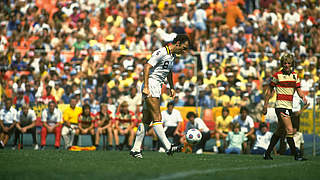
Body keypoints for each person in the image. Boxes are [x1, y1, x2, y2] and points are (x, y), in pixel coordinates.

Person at [130, 34, 190, 158]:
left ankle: (136, 149)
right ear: (177, 43)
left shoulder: (172, 56)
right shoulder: (162, 52)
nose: (184, 51)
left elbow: (168, 71)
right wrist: (146, 86)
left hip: (157, 85)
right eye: (184, 48)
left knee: (147, 119)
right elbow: (146, 67)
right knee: (157, 116)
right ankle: (168, 146)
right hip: (151, 84)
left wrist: (172, 87)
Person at [262, 53, 308, 161]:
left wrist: (303, 98)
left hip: (289, 106)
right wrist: (265, 105)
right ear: (282, 64)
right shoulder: (277, 75)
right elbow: (269, 91)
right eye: (285, 63)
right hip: (280, 106)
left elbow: (299, 90)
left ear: (292, 64)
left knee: (279, 131)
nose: (286, 65)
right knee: (290, 129)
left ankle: (267, 153)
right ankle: (296, 155)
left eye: (288, 63)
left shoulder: (295, 76)